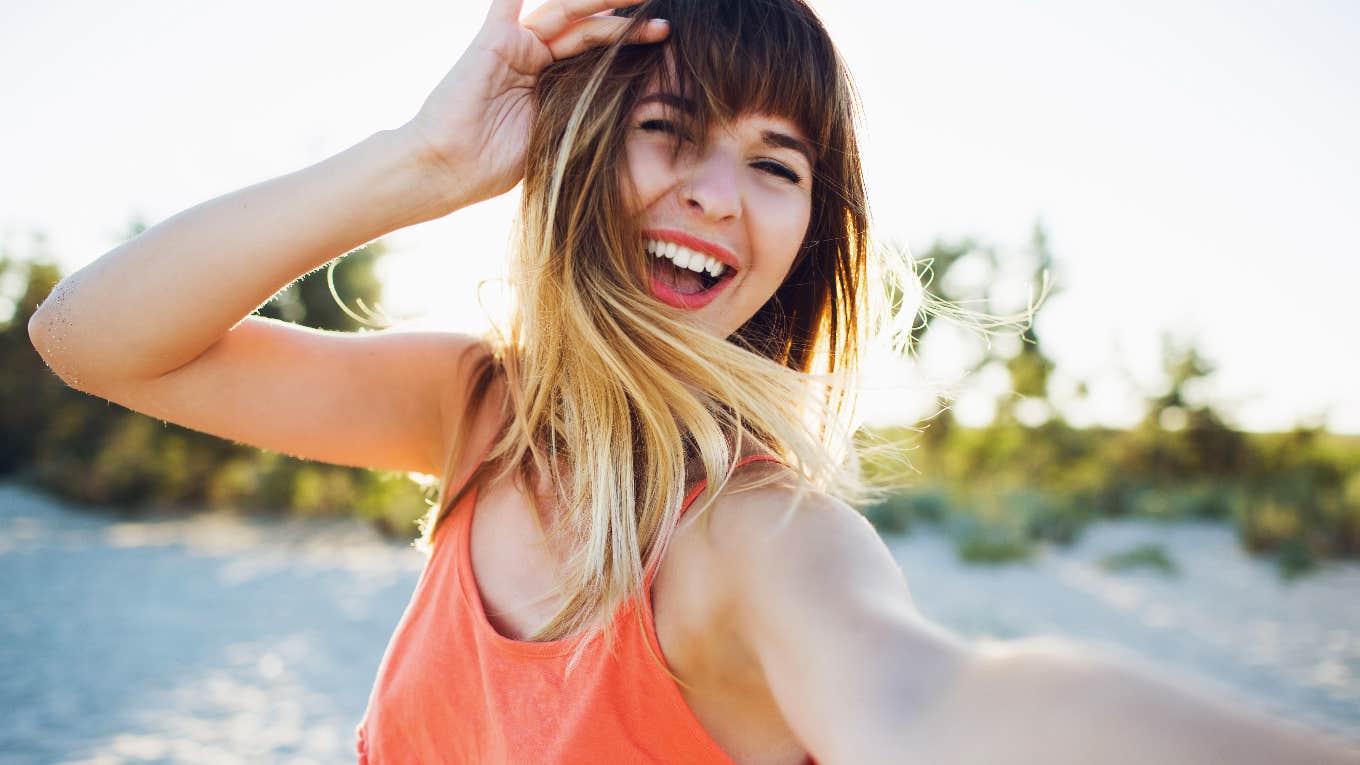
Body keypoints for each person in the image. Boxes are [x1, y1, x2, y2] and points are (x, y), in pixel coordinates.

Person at [27, 1, 1358, 763]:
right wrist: (422, 163)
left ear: (809, 232)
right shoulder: (480, 408)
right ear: (582, 153)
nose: (718, 197)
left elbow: (931, 701)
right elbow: (90, 336)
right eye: (670, 128)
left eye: (778, 163)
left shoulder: (756, 537)